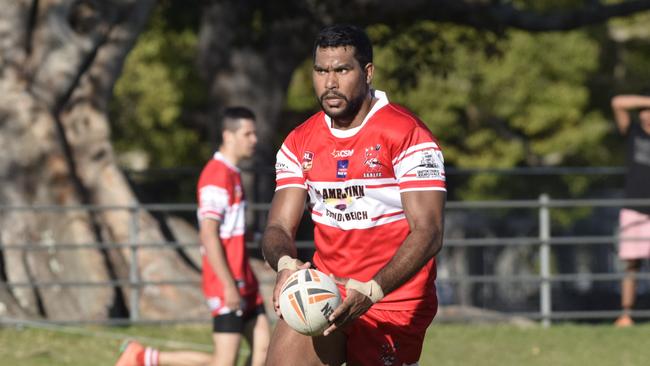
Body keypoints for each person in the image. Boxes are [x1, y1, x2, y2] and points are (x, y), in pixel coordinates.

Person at [261, 25, 446, 365]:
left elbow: (429, 232)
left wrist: (373, 290)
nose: (329, 83)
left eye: (342, 70)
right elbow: (277, 227)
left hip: (392, 299)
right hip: (325, 291)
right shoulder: (299, 141)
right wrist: (285, 265)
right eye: (321, 71)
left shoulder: (408, 134)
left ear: (368, 73)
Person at [116, 107, 270, 366]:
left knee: (265, 350)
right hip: (227, 282)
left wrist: (262, 244)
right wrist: (228, 284)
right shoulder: (216, 176)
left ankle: (144, 357)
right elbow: (209, 234)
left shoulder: (232, 173)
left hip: (246, 279)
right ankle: (143, 357)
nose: (254, 140)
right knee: (222, 362)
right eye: (248, 134)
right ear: (228, 136)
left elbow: (232, 230)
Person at [611, 93, 650, 327]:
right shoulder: (634, 133)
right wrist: (647, 101)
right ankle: (626, 314)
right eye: (644, 111)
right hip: (634, 209)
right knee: (631, 264)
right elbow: (617, 102)